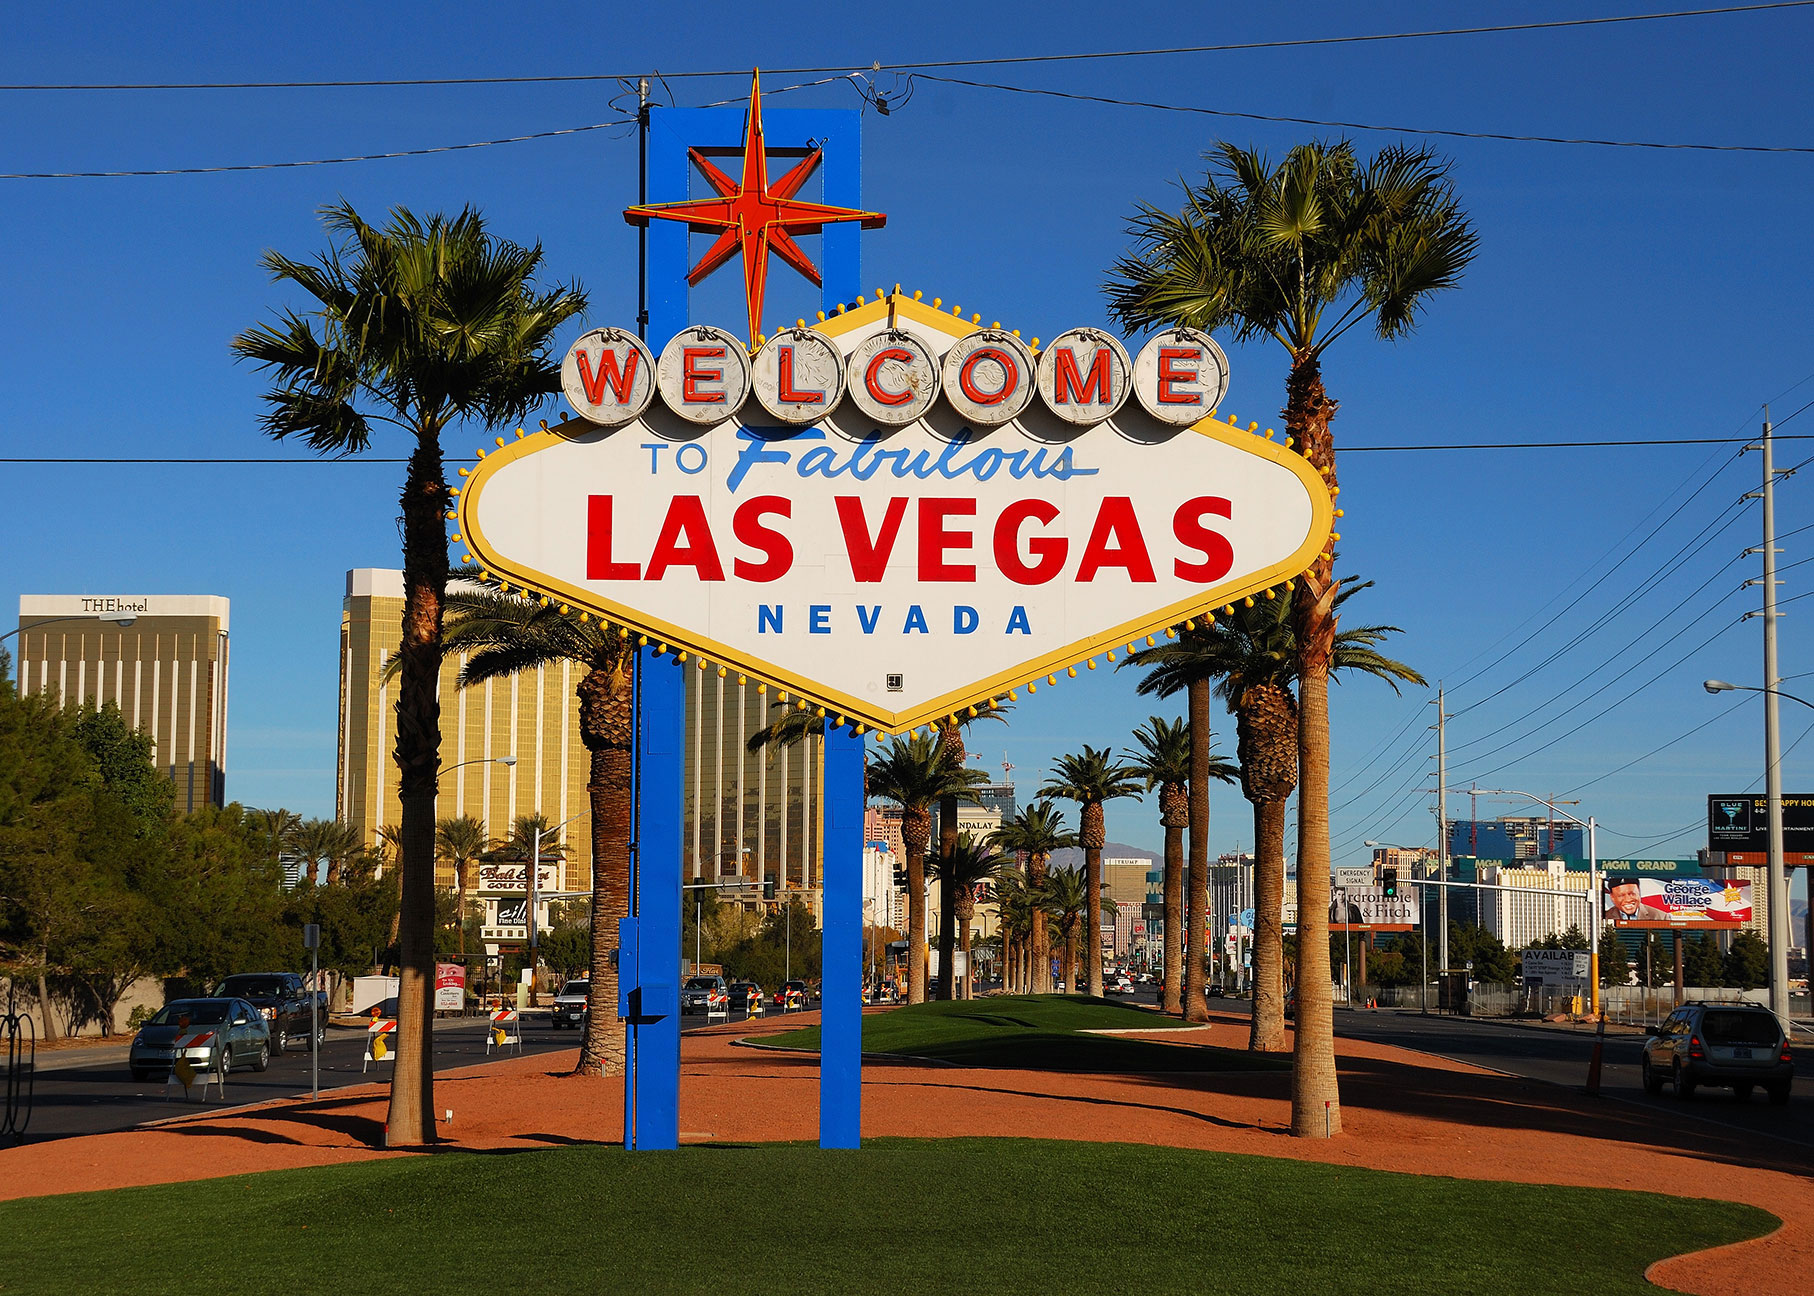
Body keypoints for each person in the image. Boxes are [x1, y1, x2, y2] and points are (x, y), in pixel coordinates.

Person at [1605, 877, 1671, 922]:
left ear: (1639, 891)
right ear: (1612, 897)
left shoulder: (1660, 917)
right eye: (1621, 896)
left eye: (1632, 894)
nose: (1628, 899)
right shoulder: (1605, 917)